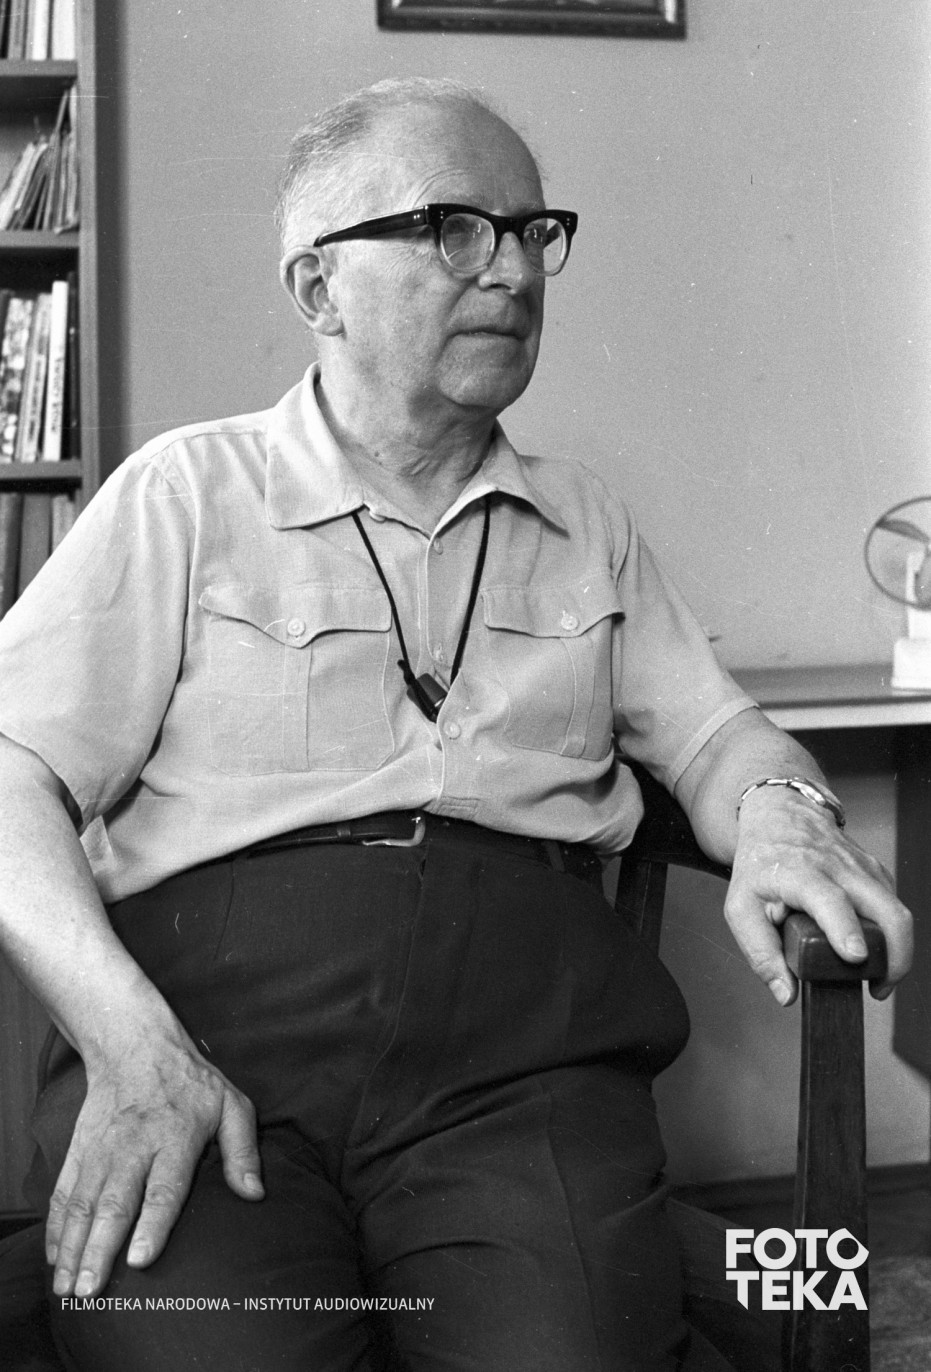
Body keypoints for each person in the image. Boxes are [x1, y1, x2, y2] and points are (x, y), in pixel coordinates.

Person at [0, 78, 911, 1372]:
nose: (515, 271)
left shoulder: (587, 522)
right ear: (318, 288)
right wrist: (131, 1047)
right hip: (207, 1049)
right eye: (451, 227)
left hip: (522, 1071)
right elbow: (12, 774)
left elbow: (719, 738)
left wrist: (779, 812)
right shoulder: (186, 495)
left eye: (534, 232)